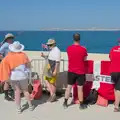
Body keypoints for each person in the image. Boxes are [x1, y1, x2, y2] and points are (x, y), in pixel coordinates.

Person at [0, 41, 34, 114]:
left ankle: (19, 109)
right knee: (25, 91)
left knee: (17, 92)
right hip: (23, 76)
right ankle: (30, 106)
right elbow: (28, 66)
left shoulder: (8, 57)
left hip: (13, 77)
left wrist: (7, 76)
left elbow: (4, 65)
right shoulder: (24, 55)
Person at [63, 33, 88, 109]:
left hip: (71, 71)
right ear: (79, 39)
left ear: (73, 39)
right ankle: (81, 104)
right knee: (80, 89)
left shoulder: (69, 48)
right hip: (80, 71)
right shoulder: (83, 49)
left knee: (69, 87)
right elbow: (85, 59)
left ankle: (65, 103)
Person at [0, 33, 14, 101]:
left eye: (12, 38)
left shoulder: (10, 45)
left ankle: (5, 92)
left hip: (10, 64)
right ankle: (6, 95)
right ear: (8, 39)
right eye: (11, 38)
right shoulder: (5, 45)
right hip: (7, 65)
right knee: (7, 80)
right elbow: (0, 53)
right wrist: (4, 60)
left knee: (6, 80)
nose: (12, 39)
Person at [109, 40, 120, 112]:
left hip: (113, 71)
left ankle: (116, 101)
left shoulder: (113, 49)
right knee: (118, 89)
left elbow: (110, 58)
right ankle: (116, 107)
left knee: (116, 87)